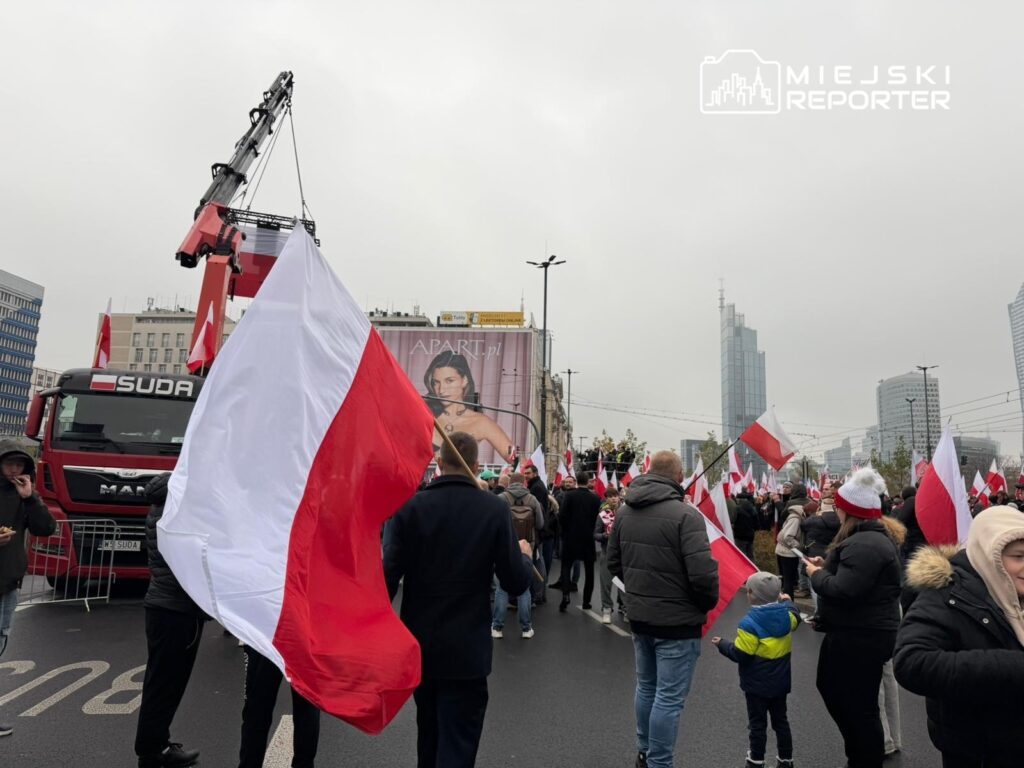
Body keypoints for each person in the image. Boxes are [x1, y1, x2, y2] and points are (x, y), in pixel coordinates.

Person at [384, 431, 531, 768]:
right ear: (476, 466)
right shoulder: (493, 509)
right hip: (467, 649)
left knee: (429, 735)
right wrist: (524, 556)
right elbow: (515, 582)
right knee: (458, 743)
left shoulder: (410, 508)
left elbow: (386, 578)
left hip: (420, 645)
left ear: (439, 462)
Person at [607, 451, 719, 768]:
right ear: (679, 477)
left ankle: (645, 752)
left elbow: (613, 563)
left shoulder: (624, 512)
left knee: (646, 688)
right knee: (668, 697)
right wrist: (703, 604)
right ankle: (659, 762)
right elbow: (703, 576)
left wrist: (639, 592)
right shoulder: (687, 516)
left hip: (640, 618)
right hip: (678, 624)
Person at [894, 505, 1024, 768]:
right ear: (989, 555)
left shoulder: (1016, 589)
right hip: (977, 749)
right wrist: (1014, 666)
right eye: (1018, 556)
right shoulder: (946, 595)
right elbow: (911, 662)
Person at [804, 468, 904, 768]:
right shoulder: (867, 540)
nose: (835, 510)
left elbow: (844, 589)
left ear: (849, 511)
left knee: (857, 706)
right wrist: (828, 566)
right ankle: (861, 756)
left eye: (838, 506)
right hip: (858, 632)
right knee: (854, 701)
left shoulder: (865, 543)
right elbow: (855, 579)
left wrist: (817, 575)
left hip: (861, 636)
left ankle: (864, 759)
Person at [134, 473, 206, 768]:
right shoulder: (178, 514)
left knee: (160, 683)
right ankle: (152, 752)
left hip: (163, 605)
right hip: (178, 609)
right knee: (166, 685)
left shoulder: (162, 506)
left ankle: (156, 745)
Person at [712, 572, 800, 768]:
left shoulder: (749, 624)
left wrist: (722, 644)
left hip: (756, 686)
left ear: (751, 594)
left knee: (757, 724)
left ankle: (756, 760)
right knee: (781, 722)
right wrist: (787, 601)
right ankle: (786, 759)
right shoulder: (787, 617)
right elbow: (795, 615)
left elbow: (741, 654)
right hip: (780, 683)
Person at [0, 439, 55, 738]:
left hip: (8, 582)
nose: (14, 470)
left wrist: (31, 498)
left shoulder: (24, 495)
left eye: (19, 464)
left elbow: (46, 528)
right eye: (9, 463)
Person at [237, 646, 321, 768]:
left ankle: (250, 764)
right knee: (307, 705)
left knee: (257, 706)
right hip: (304, 641)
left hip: (266, 640)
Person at [422, 351, 514, 463]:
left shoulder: (481, 422)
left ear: (464, 380)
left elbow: (516, 459)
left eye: (449, 381)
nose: (441, 390)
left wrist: (525, 467)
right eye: (436, 383)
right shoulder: (425, 417)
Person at [491, 472, 543, 639]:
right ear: (524, 483)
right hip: (526, 547)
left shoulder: (501, 498)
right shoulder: (532, 499)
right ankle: (526, 628)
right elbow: (540, 524)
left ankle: (497, 627)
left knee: (502, 587)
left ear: (509, 483)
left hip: (505, 546)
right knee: (524, 587)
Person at [555, 470, 602, 612]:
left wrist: (566, 530)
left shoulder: (569, 495)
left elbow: (562, 516)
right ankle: (586, 601)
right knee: (589, 570)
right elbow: (597, 518)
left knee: (566, 566)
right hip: (588, 538)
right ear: (588, 482)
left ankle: (565, 595)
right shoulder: (596, 498)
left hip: (571, 536)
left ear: (577, 481)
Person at [775, 485, 808, 599]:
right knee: (789, 580)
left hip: (788, 550)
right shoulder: (796, 518)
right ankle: (789, 603)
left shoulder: (792, 509)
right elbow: (787, 536)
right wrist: (799, 547)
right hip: (788, 551)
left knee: (788, 580)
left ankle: (788, 601)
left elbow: (782, 515)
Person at [594, 486, 621, 623]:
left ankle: (625, 607)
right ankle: (606, 608)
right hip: (607, 553)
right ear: (606, 499)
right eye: (610, 497)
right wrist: (605, 535)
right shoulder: (602, 514)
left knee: (623, 584)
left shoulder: (625, 512)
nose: (613, 499)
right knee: (606, 582)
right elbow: (596, 534)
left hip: (623, 554)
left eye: (615, 496)